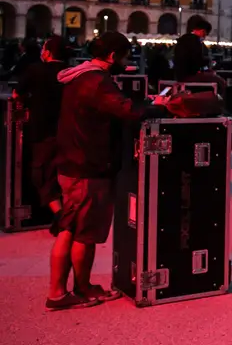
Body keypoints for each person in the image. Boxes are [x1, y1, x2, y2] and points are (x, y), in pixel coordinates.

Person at [49, 32, 171, 311]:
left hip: (74, 162)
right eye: (126, 56)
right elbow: (127, 110)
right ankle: (60, 293)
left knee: (73, 229)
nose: (128, 62)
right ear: (113, 56)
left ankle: (83, 285)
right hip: (87, 167)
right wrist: (157, 107)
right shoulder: (96, 81)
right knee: (79, 233)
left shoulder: (80, 75)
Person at [14, 35, 69, 231]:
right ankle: (63, 212)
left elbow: (16, 95)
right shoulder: (71, 73)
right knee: (64, 174)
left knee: (42, 174)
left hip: (41, 131)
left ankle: (59, 214)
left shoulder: (35, 70)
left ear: (47, 52)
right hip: (68, 131)